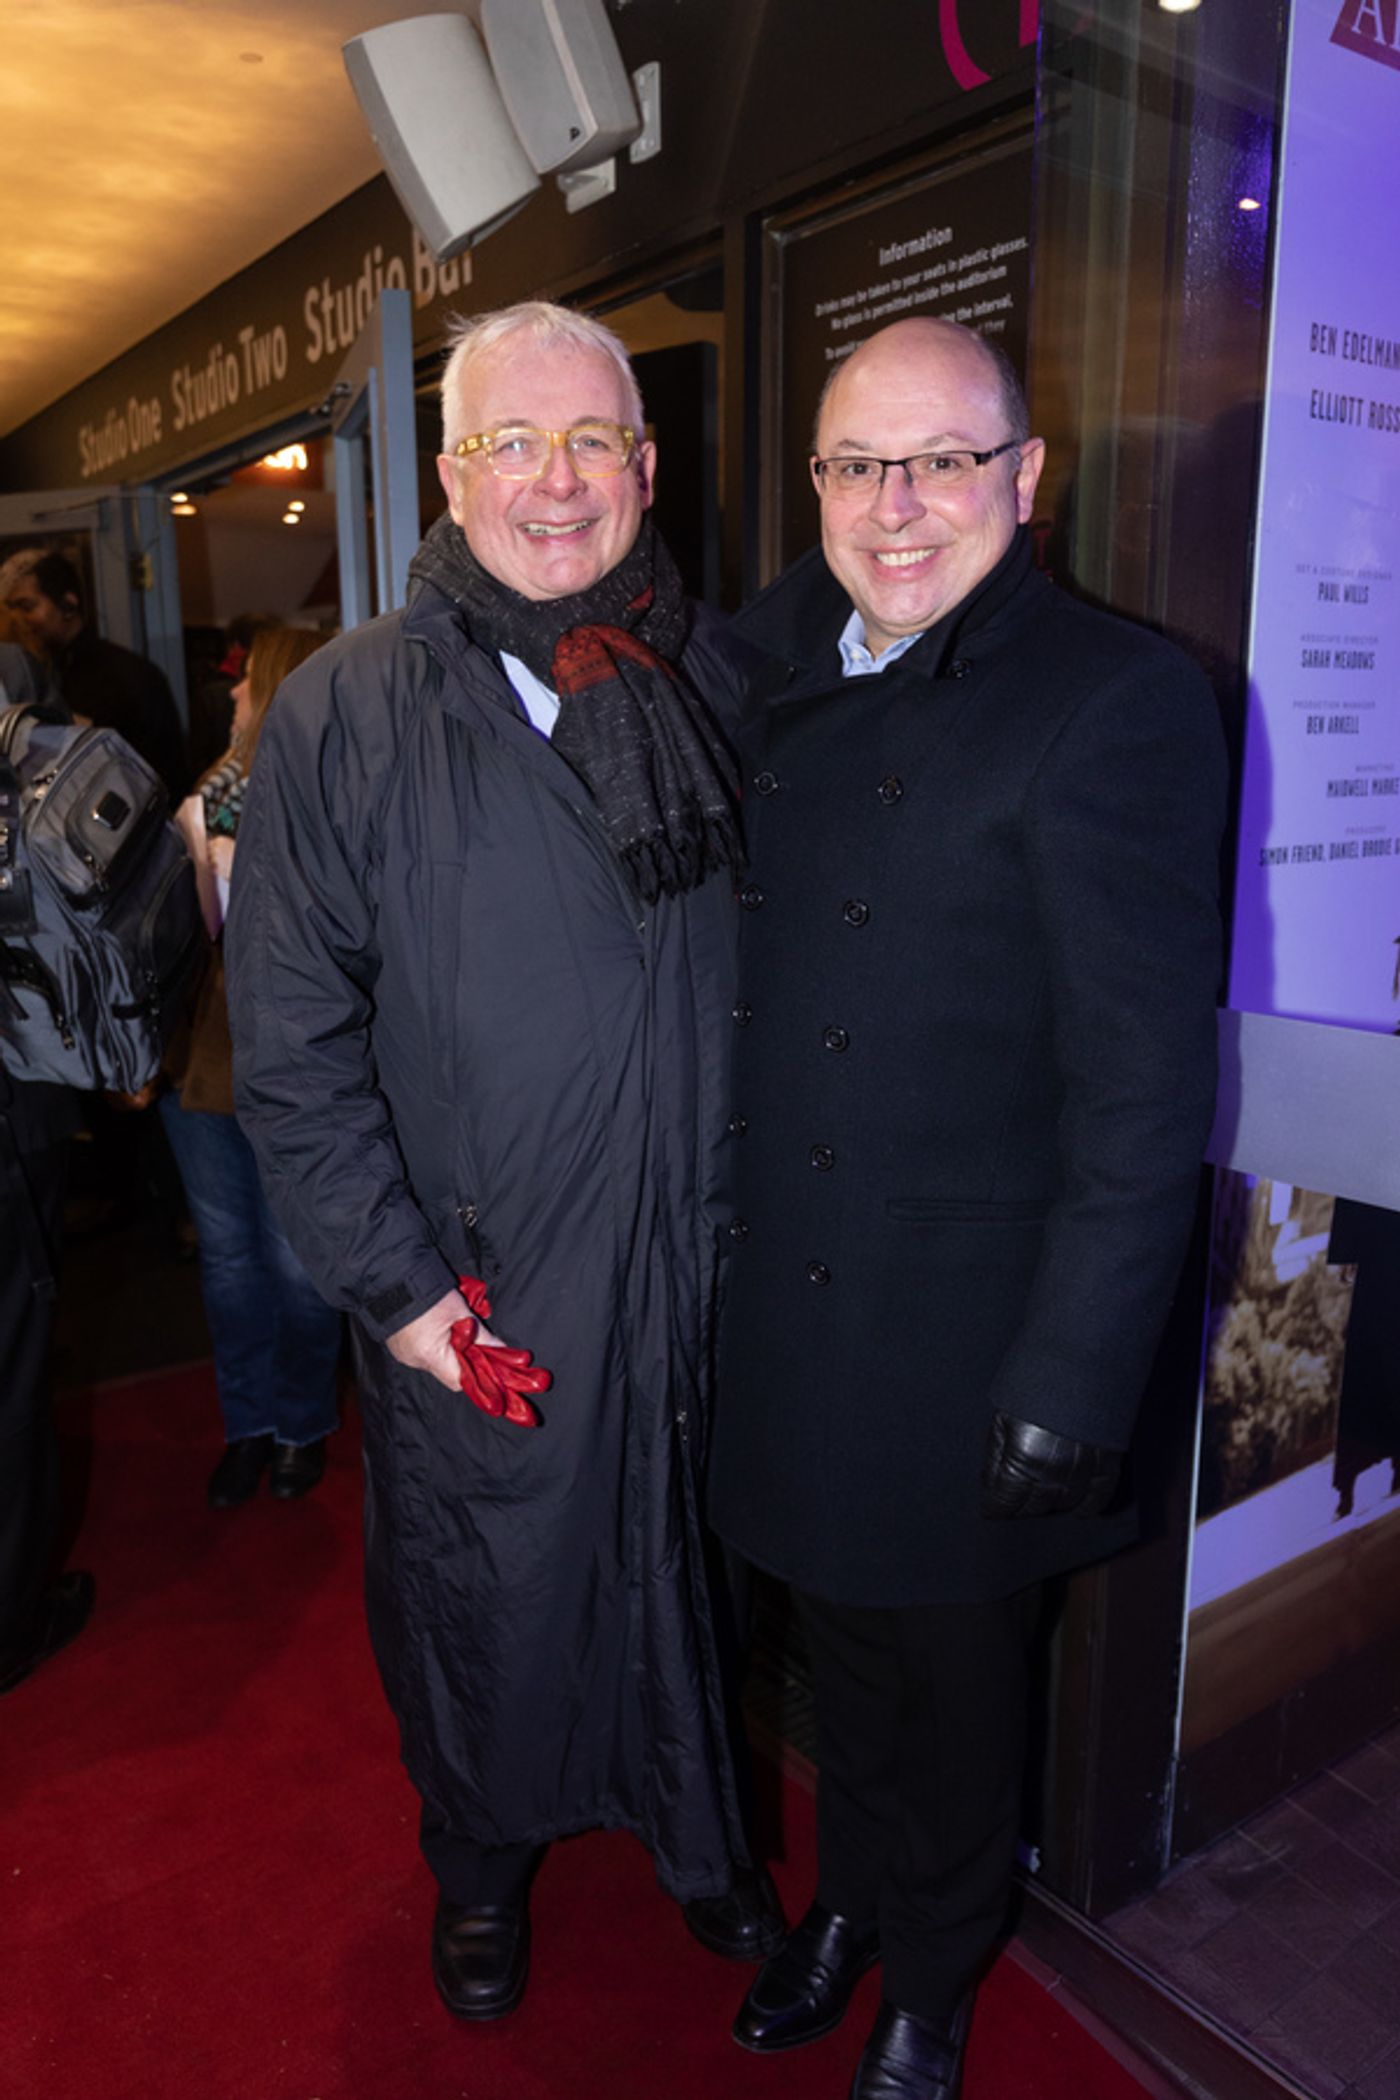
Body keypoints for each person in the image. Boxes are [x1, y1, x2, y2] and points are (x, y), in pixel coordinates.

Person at [225, 301, 781, 2021]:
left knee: (687, 1573)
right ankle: (477, 1865)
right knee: (488, 1597)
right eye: (514, 446)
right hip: (483, 1287)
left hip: (703, 1263)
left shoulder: (729, 682)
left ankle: (699, 1836)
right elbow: (295, 1049)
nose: (557, 483)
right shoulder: (346, 716)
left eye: (592, 442)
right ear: (453, 474)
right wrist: (395, 1294)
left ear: (647, 466)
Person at [706, 317, 1227, 2100]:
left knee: (954, 1684)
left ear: (1028, 478)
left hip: (967, 1330)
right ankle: (850, 1899)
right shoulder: (763, 666)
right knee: (837, 1656)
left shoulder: (1115, 697)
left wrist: (1074, 1376)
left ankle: (932, 1968)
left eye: (944, 460)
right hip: (795, 1301)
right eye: (860, 464)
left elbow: (1146, 1090)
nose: (899, 504)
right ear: (818, 491)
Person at [161, 625, 344, 1509]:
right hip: (201, 1059)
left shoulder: (335, 790)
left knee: (297, 1260)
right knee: (230, 1260)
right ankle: (248, 1426)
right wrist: (198, 860)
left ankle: (301, 1426)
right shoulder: (207, 795)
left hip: (300, 1065)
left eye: (242, 684)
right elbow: (182, 941)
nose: (228, 696)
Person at [3, 549, 188, 800]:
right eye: (10, 609)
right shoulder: (43, 671)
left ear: (68, 605)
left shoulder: (124, 676)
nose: (17, 621)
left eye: (27, 606)